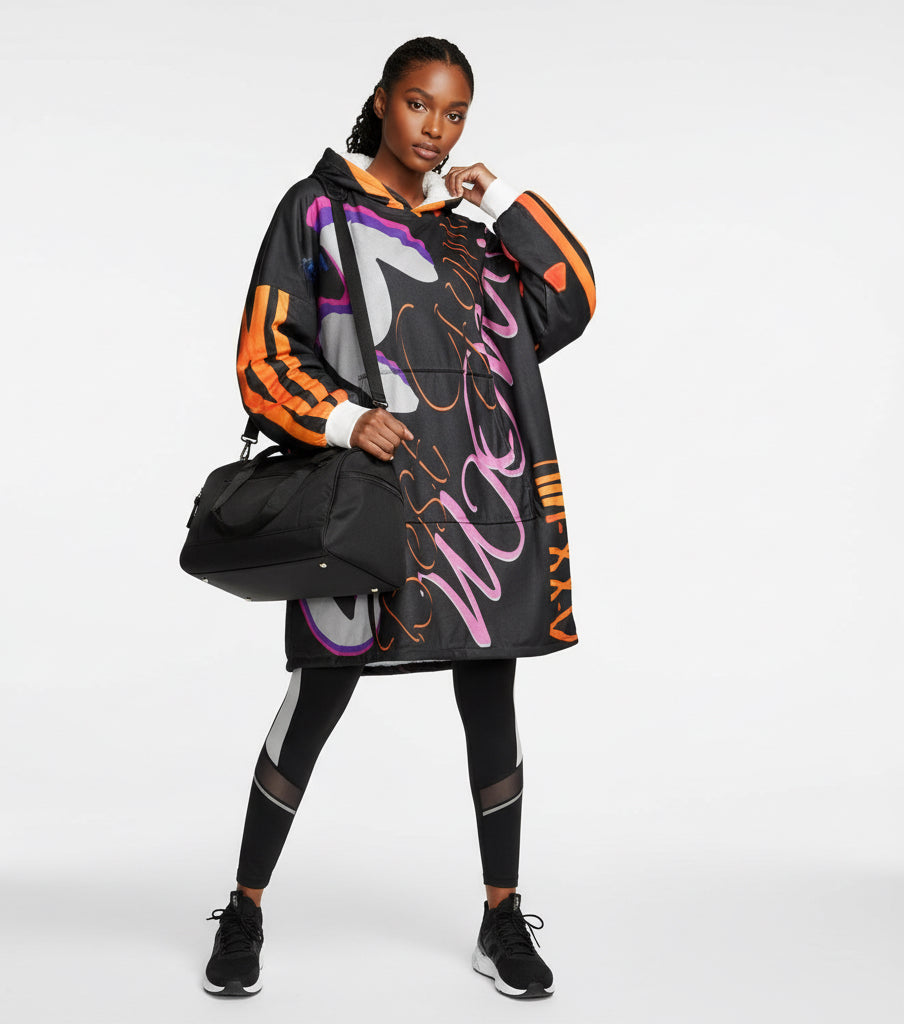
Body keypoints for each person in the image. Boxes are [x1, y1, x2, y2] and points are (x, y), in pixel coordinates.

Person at [202, 35, 595, 1000]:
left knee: (491, 700)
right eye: (420, 104)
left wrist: (504, 202)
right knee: (317, 697)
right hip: (363, 509)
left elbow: (571, 301)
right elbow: (263, 352)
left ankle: (502, 915)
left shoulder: (474, 238)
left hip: (474, 510)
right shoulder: (316, 209)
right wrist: (343, 418)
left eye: (455, 114)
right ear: (382, 100)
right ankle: (245, 906)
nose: (436, 129)